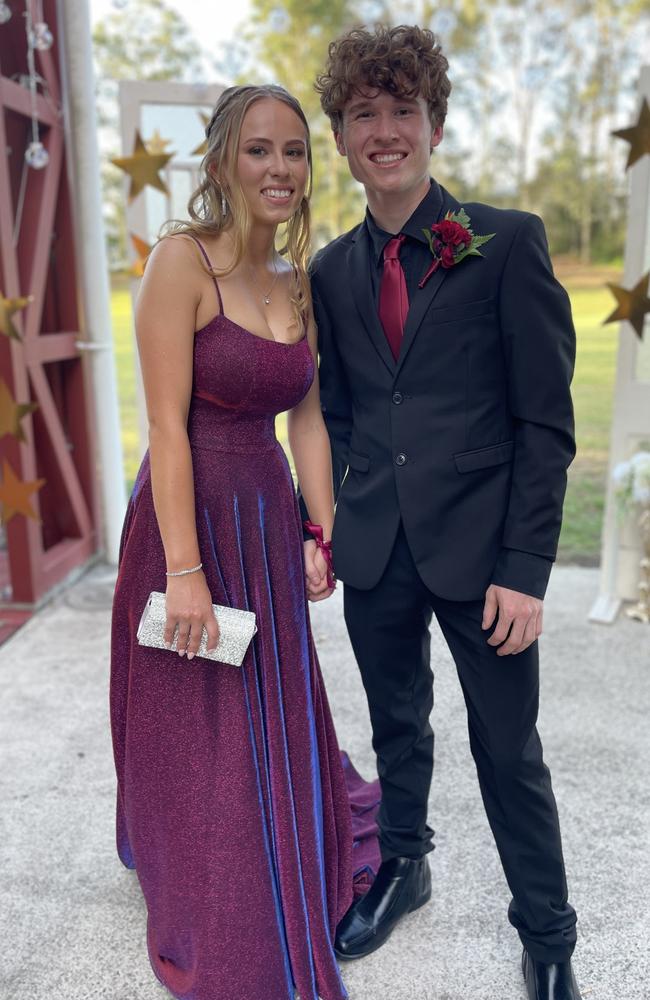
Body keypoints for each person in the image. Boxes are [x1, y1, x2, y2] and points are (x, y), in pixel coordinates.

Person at [302, 24, 582, 1000]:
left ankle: (544, 930)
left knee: (507, 749)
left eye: (401, 111)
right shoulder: (332, 272)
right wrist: (324, 525)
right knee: (397, 727)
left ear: (433, 122)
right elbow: (333, 413)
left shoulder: (501, 243)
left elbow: (542, 423)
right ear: (340, 136)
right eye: (363, 114)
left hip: (483, 554)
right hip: (376, 547)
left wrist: (524, 567)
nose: (384, 130)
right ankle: (404, 864)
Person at [110, 84, 378, 1000]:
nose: (279, 169)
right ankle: (214, 886)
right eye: (259, 150)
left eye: (295, 152)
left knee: (271, 702)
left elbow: (305, 421)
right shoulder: (181, 263)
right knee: (203, 724)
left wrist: (318, 529)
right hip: (189, 517)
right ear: (223, 159)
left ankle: (278, 835)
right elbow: (167, 429)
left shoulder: (292, 279)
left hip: (264, 516)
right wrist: (184, 575)